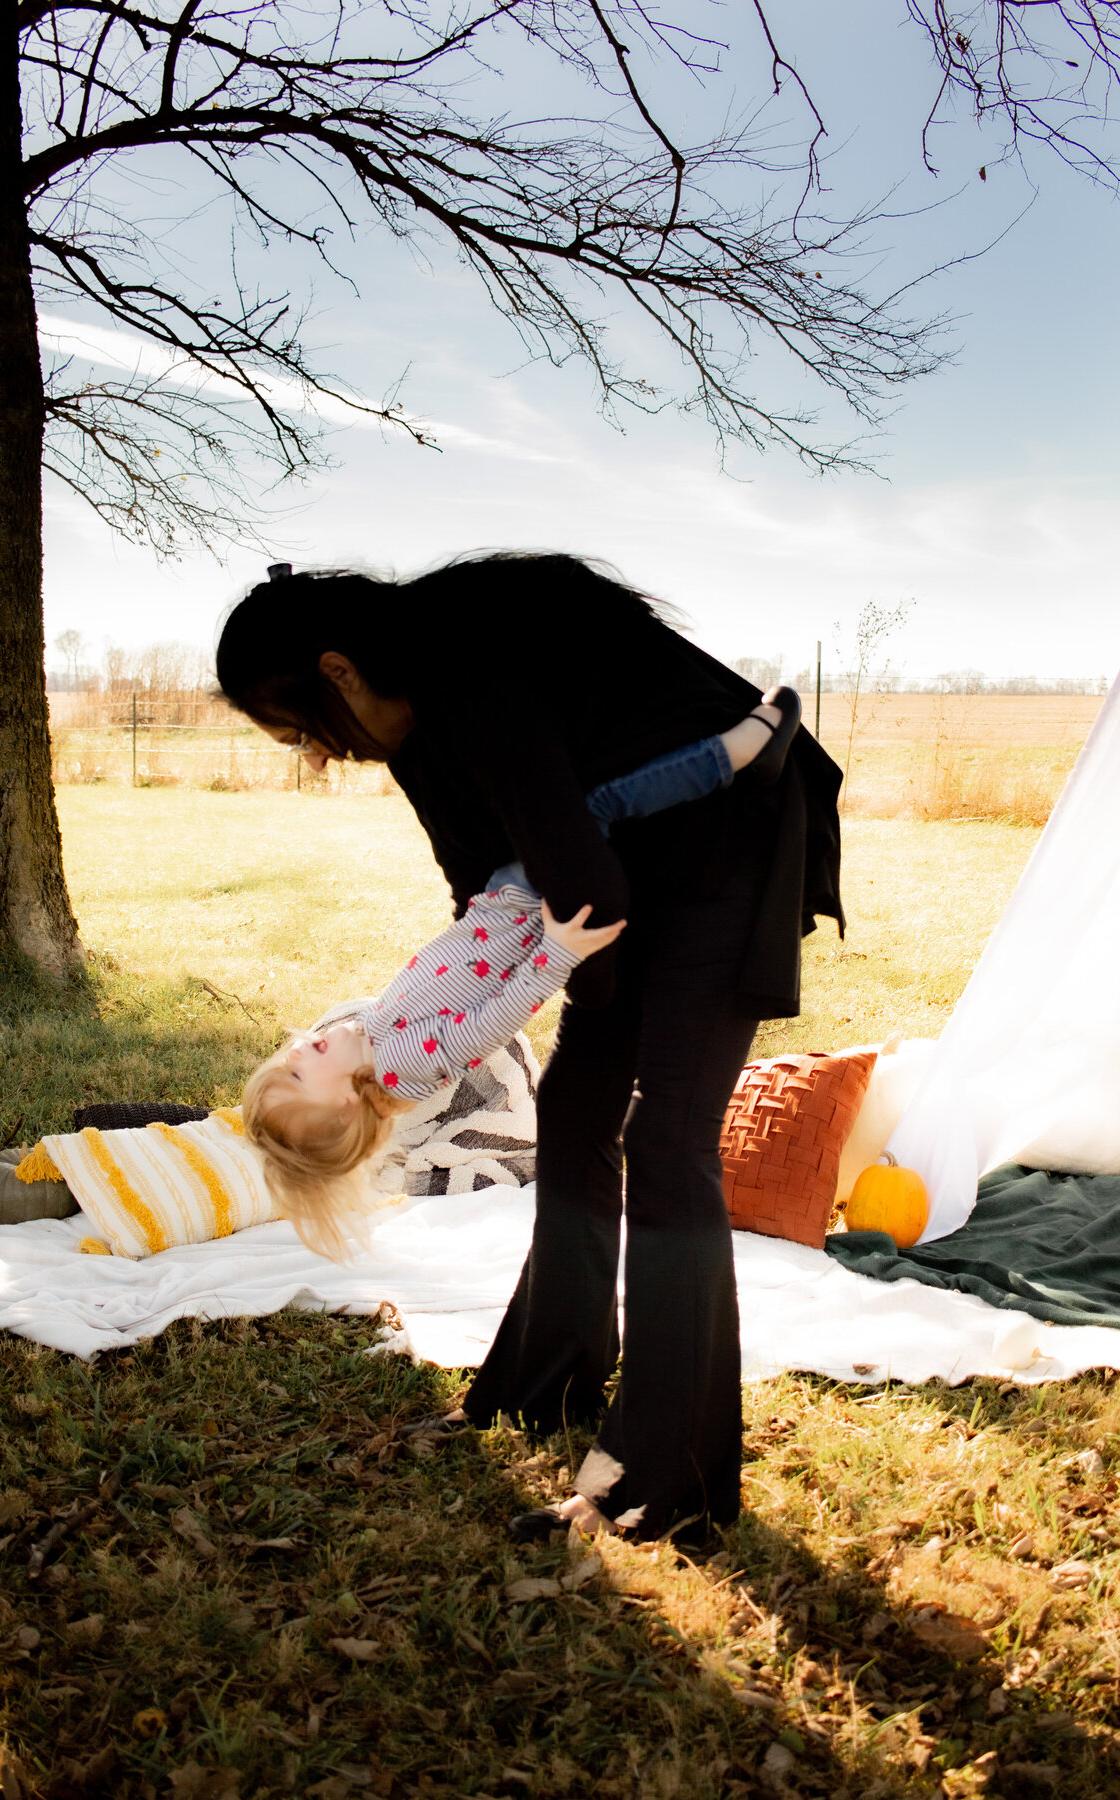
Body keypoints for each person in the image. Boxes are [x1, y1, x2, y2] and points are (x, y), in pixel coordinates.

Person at [217, 553, 845, 1542]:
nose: (319, 757)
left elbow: (583, 884)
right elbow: (484, 883)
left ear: (340, 671)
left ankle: (669, 1476)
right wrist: (518, 966)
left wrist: (557, 972)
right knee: (576, 1109)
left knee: (668, 1138)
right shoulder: (415, 737)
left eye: (306, 732)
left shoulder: (473, 679)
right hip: (610, 879)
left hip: (729, 834)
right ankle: (544, 1386)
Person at [241, 698, 800, 1259]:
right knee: (600, 804)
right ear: (342, 1105)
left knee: (574, 802)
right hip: (531, 911)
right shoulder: (400, 1063)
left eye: (285, 1058)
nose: (295, 1048)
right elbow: (493, 1022)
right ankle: (737, 753)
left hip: (504, 900)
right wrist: (556, 954)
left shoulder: (373, 1042)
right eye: (296, 1073)